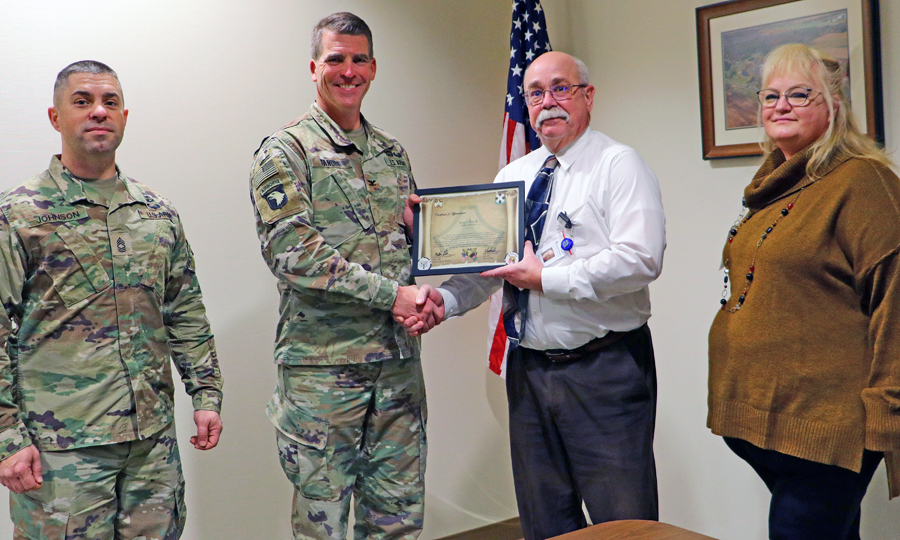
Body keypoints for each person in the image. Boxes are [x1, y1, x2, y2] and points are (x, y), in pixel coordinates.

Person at [404, 51, 666, 540]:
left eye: (561, 88)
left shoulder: (618, 164)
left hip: (603, 371)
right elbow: (492, 267)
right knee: (545, 520)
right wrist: (446, 300)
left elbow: (641, 259)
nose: (549, 103)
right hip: (529, 371)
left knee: (623, 525)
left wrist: (546, 279)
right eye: (536, 93)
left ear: (587, 96)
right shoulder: (514, 176)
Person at [0, 60, 224, 539]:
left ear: (124, 116)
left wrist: (205, 394)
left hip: (151, 447)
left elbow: (184, 310)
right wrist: (6, 437)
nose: (98, 112)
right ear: (55, 117)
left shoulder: (157, 214)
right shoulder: (18, 215)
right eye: (82, 101)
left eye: (110, 102)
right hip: (63, 453)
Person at [248, 12, 442, 540]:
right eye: (336, 59)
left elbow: (411, 246)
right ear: (315, 67)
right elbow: (294, 252)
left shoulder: (391, 153)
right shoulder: (284, 151)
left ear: (374, 68)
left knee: (398, 521)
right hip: (323, 375)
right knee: (323, 528)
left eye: (359, 60)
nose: (347, 70)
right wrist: (395, 295)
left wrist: (429, 283)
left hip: (397, 370)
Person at [708, 44, 900, 540]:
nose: (781, 105)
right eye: (771, 95)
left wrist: (887, 412)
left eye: (799, 94)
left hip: (826, 428)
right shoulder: (774, 183)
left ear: (834, 105)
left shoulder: (864, 182)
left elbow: (894, 302)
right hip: (770, 422)